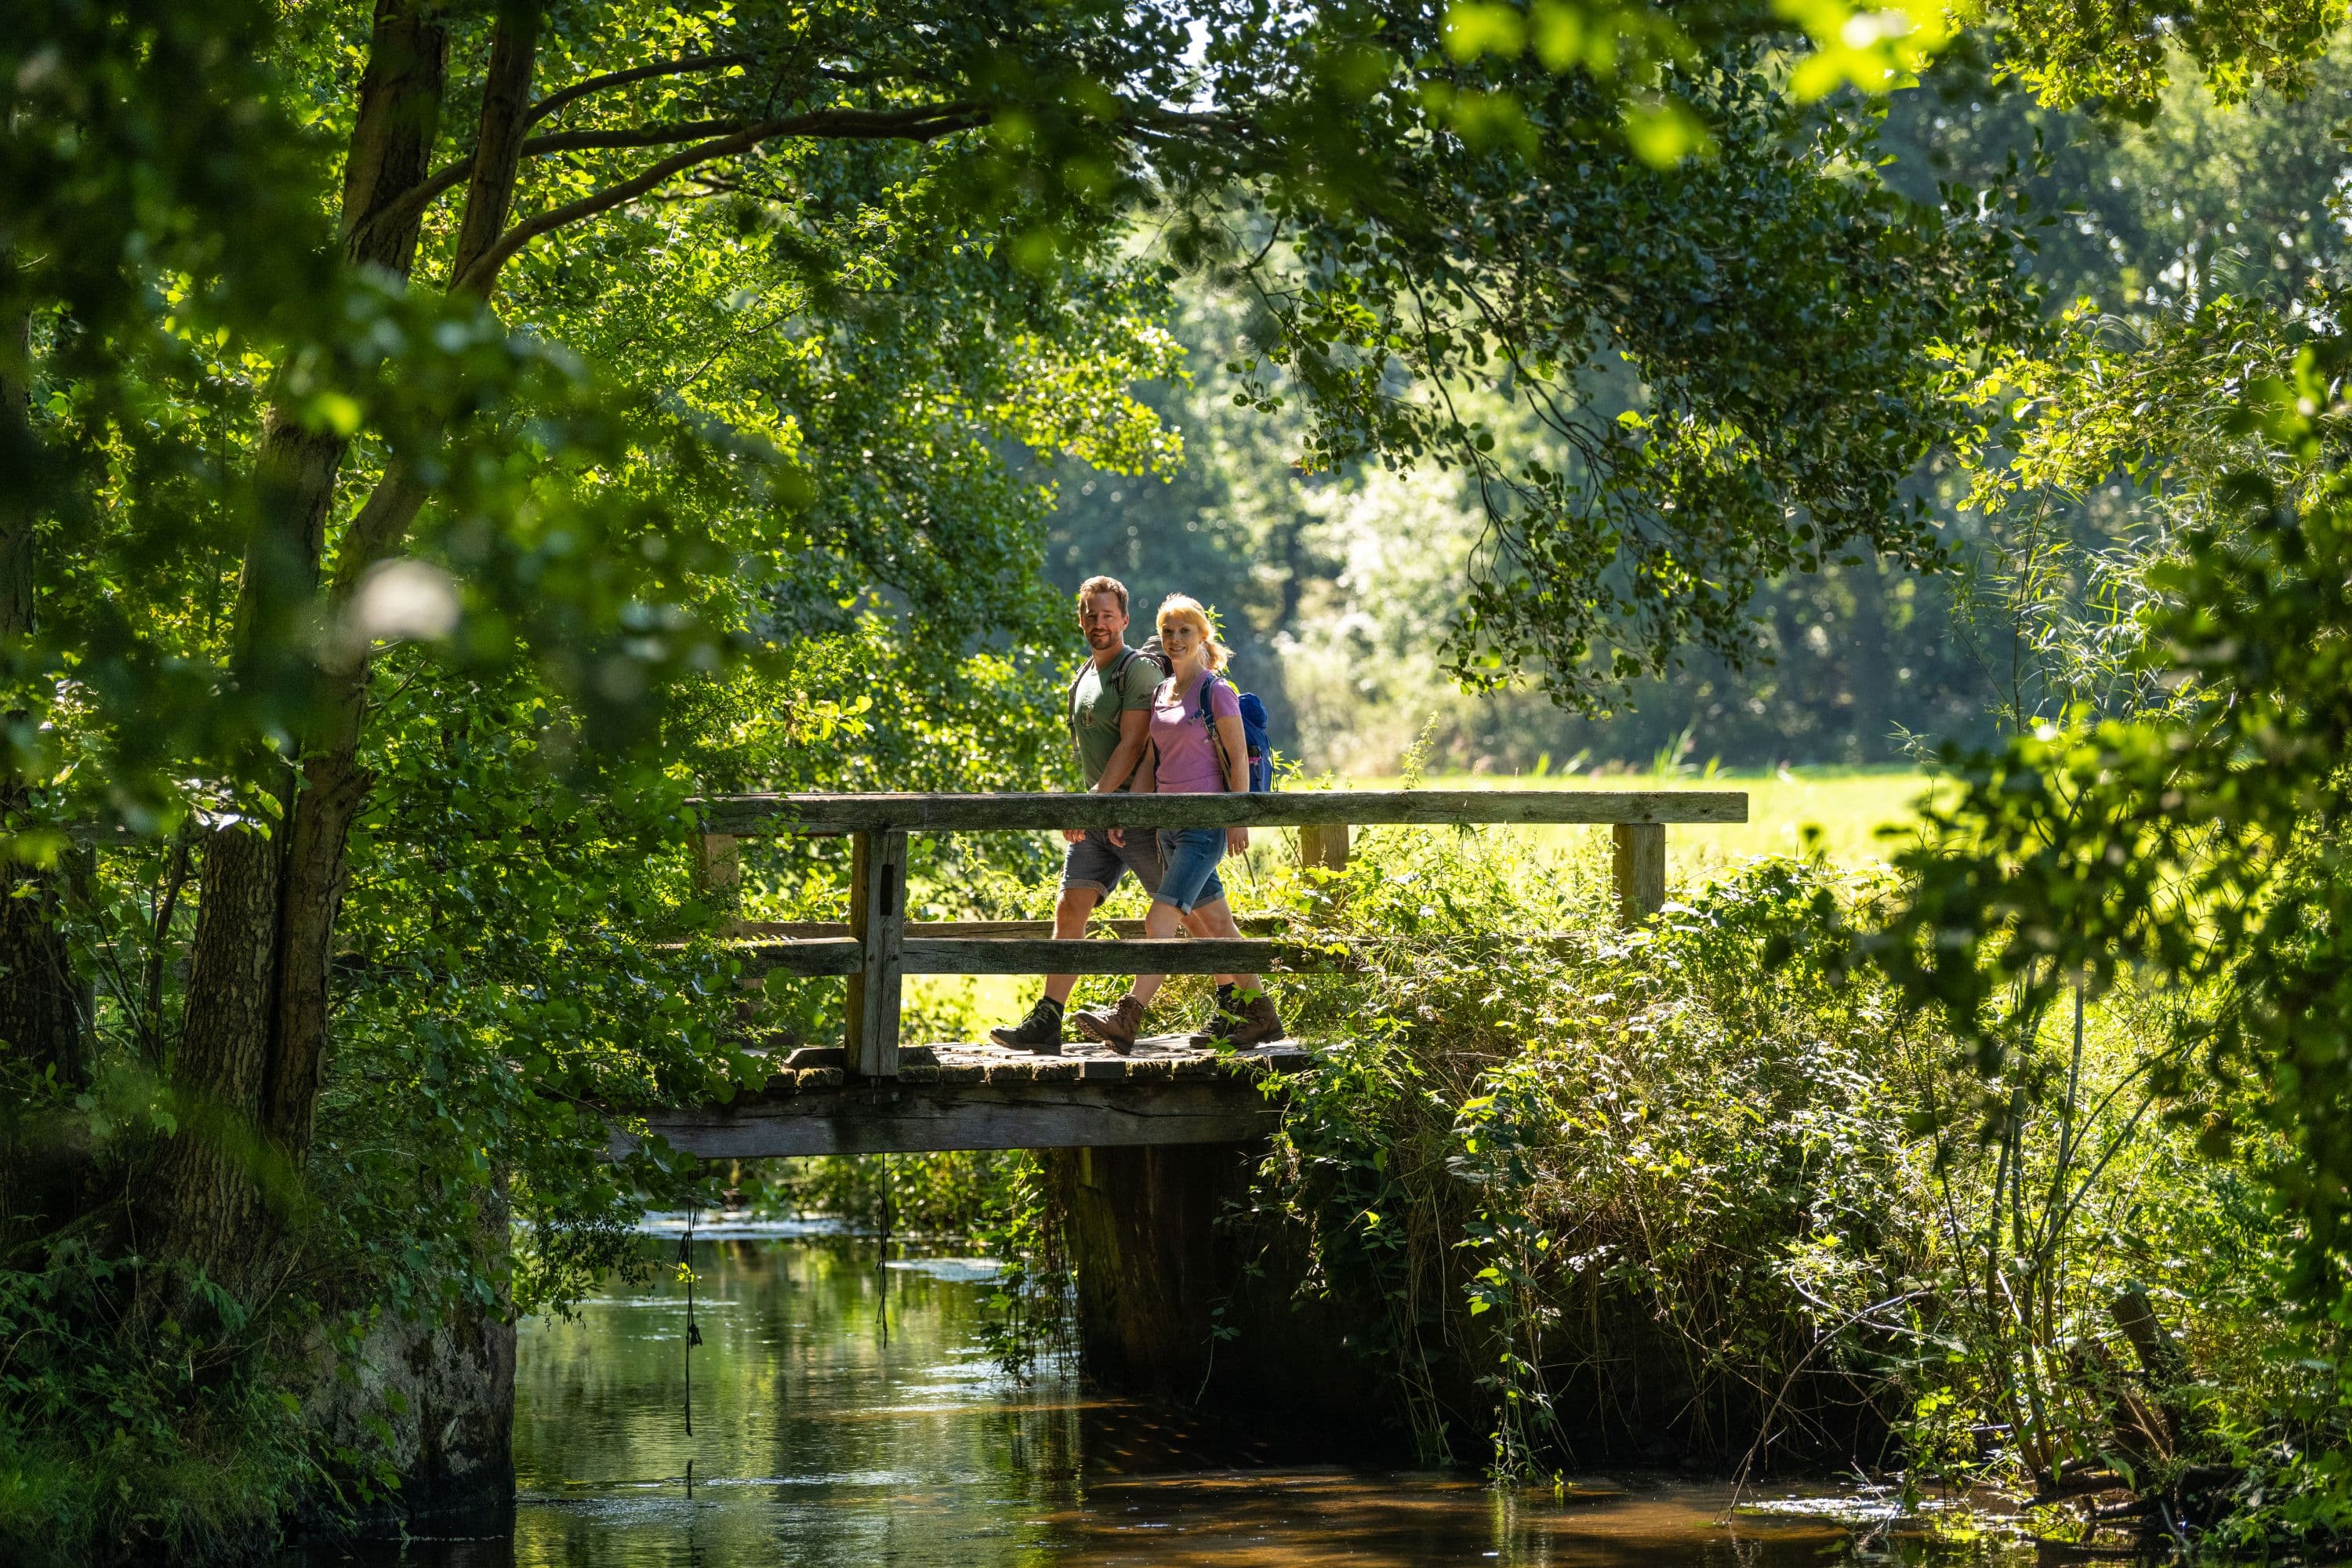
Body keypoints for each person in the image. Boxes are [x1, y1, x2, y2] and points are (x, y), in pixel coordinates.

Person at [986, 576, 1239, 1054]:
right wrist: (1094, 803)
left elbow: (1136, 744)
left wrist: (1101, 801)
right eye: (1091, 615)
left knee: (1190, 915)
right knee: (1070, 908)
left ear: (1124, 620)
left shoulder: (1137, 673)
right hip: (1098, 815)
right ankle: (1048, 1020)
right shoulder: (1086, 674)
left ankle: (1236, 1003)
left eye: (1108, 616)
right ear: (1080, 619)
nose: (1099, 624)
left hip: (1135, 815)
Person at [1071, 594, 1285, 1051]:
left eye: (1184, 631)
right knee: (1219, 928)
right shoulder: (1162, 694)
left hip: (1204, 829)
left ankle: (1127, 1016)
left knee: (1159, 919)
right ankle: (1260, 1015)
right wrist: (1130, 812)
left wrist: (1237, 818)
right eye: (1168, 632)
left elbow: (1235, 760)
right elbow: (1150, 759)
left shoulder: (1216, 692)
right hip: (1167, 828)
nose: (1174, 640)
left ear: (1201, 637)